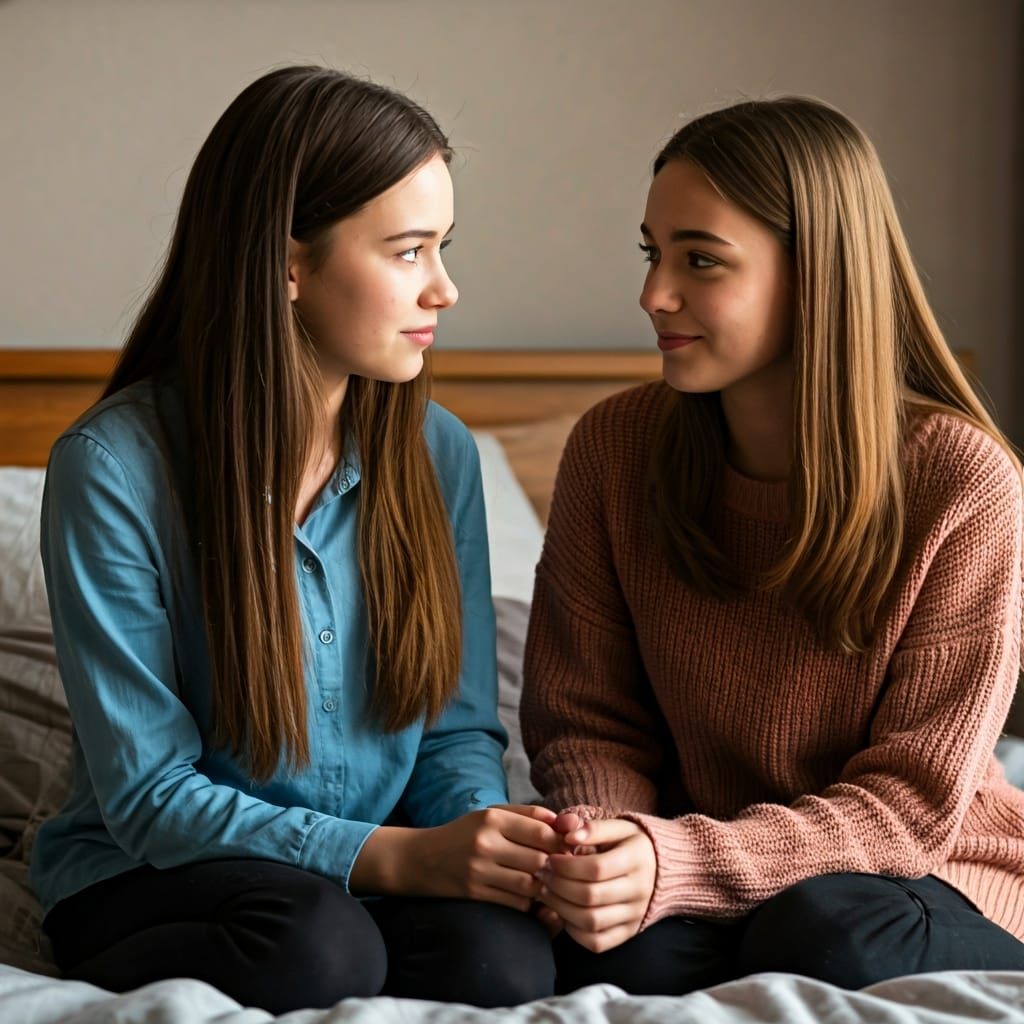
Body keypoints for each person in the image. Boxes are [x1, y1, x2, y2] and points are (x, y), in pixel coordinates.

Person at [32, 65, 560, 1014]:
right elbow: (152, 797)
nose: (445, 287)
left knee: (509, 964)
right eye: (407, 252)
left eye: (443, 246)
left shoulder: (439, 454)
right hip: (155, 876)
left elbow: (452, 732)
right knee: (316, 948)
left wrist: (488, 844)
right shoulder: (113, 467)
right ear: (285, 265)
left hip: (366, 881)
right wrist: (396, 858)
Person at [520, 96, 1024, 996]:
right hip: (686, 861)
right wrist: (606, 850)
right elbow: (588, 720)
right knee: (597, 952)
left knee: (827, 932)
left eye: (700, 261)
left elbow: (909, 805)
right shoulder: (614, 449)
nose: (653, 296)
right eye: (653, 253)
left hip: (922, 871)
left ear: (818, 274)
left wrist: (676, 855)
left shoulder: (963, 481)